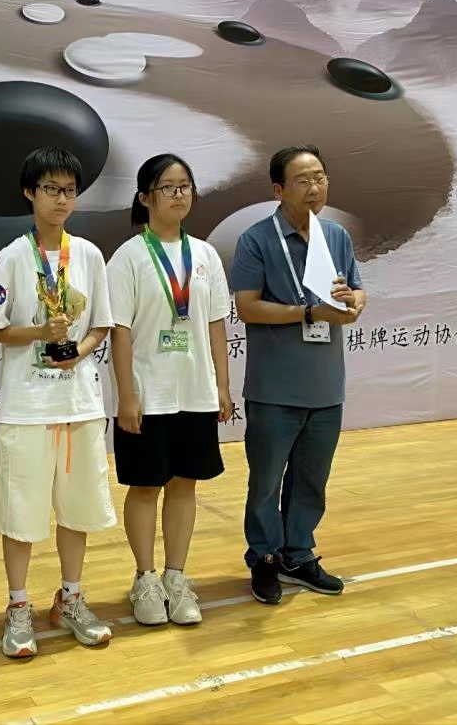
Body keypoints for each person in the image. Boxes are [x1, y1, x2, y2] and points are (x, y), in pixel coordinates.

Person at [0, 146, 116, 658]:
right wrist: (40, 333)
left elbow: (100, 324)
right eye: (51, 189)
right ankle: (18, 606)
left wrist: (77, 352)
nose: (61, 200)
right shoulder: (13, 257)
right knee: (21, 513)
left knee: (77, 509)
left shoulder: (88, 255)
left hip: (79, 402)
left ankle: (71, 598)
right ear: (29, 193)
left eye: (69, 191)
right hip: (28, 407)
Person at [228, 144, 366, 606]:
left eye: (320, 177)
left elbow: (357, 291)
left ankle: (298, 554)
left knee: (311, 478)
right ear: (278, 189)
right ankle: (265, 558)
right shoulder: (256, 239)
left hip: (326, 384)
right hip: (274, 387)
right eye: (303, 180)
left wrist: (355, 303)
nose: (314, 188)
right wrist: (309, 312)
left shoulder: (336, 236)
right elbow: (247, 306)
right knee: (266, 482)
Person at [107, 154, 234, 627]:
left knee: (185, 484)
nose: (179, 194)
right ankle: (145, 578)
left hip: (195, 392)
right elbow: (119, 330)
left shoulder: (205, 255)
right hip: (148, 394)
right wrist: (127, 395)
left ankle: (176, 578)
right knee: (145, 486)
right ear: (145, 198)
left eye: (185, 186)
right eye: (167, 187)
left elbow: (216, 324)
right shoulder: (129, 257)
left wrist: (222, 385)